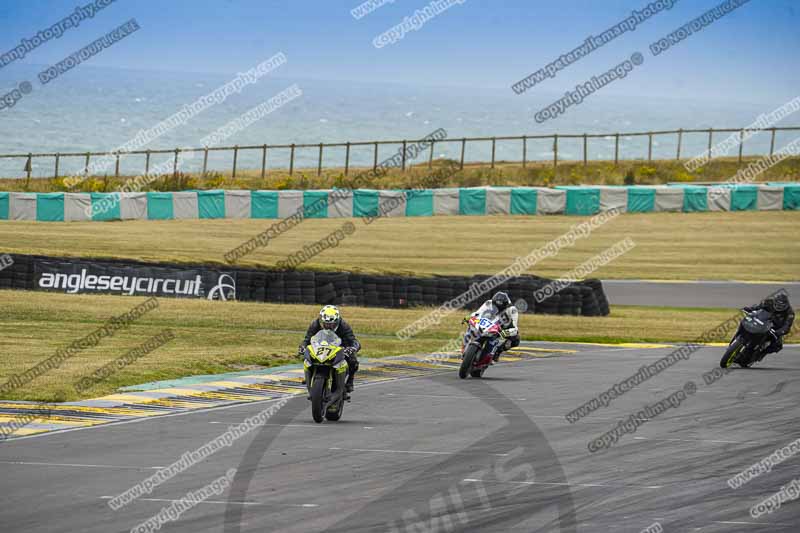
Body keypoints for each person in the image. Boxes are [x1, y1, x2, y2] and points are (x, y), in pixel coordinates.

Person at [299, 305, 361, 394]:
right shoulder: (315, 324)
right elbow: (307, 339)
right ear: (321, 321)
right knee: (307, 355)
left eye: (331, 324)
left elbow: (353, 340)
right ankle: (310, 376)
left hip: (340, 347)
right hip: (320, 347)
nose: (328, 326)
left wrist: (353, 348)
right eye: (326, 323)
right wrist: (303, 347)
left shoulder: (344, 326)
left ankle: (349, 381)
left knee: (353, 361)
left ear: (337, 321)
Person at [465, 291, 520, 362]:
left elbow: (515, 329)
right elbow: (478, 313)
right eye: (495, 306)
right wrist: (470, 317)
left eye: (500, 308)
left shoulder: (512, 310)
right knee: (471, 324)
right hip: (487, 322)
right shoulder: (489, 303)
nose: (497, 308)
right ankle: (466, 343)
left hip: (503, 326)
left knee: (516, 340)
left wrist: (505, 332)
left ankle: (497, 351)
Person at [744, 292, 794, 357]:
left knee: (777, 346)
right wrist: (750, 309)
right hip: (762, 321)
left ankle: (760, 354)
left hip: (775, 328)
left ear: (786, 305)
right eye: (778, 304)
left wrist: (778, 332)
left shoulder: (790, 313)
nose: (779, 307)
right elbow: (758, 307)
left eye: (782, 306)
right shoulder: (768, 301)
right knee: (746, 322)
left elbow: (787, 326)